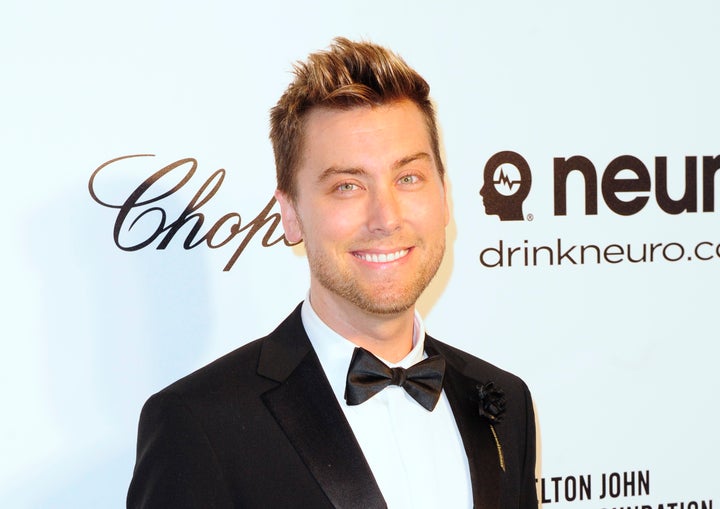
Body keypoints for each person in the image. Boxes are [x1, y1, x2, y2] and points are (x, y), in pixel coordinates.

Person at [127, 37, 537, 508]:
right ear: (291, 214)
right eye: (347, 186)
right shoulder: (199, 425)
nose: (386, 216)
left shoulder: (504, 401)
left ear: (444, 195)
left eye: (408, 178)